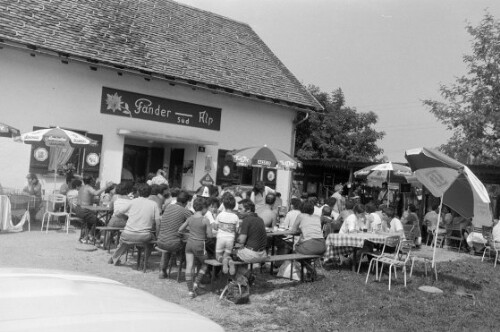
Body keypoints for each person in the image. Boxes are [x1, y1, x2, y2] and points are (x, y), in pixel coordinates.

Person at [108, 183, 160, 265]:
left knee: (124, 241)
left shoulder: (132, 202)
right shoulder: (154, 204)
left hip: (128, 234)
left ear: (138, 192)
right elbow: (158, 223)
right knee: (152, 240)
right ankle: (144, 261)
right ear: (149, 193)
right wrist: (157, 236)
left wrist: (126, 217)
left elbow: (117, 213)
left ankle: (114, 257)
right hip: (144, 236)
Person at [178, 197, 213, 298]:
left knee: (189, 266)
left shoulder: (190, 218)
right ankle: (196, 283)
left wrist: (188, 233)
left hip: (189, 244)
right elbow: (210, 236)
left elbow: (180, 230)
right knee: (205, 263)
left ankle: (190, 291)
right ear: (203, 209)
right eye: (207, 208)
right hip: (200, 245)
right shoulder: (205, 220)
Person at [156, 190, 193, 279]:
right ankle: (182, 264)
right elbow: (194, 222)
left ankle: (162, 270)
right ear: (186, 202)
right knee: (183, 243)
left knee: (169, 239)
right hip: (172, 244)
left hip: (160, 241)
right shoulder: (185, 211)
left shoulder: (168, 207)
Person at [230, 199, 268, 274]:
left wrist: (234, 235)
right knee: (240, 252)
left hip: (252, 254)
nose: (238, 211)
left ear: (248, 210)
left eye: (240, 209)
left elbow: (241, 240)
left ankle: (241, 276)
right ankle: (245, 275)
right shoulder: (260, 219)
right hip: (263, 253)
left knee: (228, 254)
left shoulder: (247, 220)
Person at [75, 175, 114, 243]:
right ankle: (90, 236)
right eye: (93, 180)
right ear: (90, 181)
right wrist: (106, 186)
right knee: (98, 222)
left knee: (89, 222)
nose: (94, 182)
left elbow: (87, 197)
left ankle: (84, 237)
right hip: (84, 210)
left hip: (78, 209)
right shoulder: (88, 187)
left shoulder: (82, 187)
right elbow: (96, 193)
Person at [213, 193, 239, 274]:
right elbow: (237, 230)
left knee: (218, 255)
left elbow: (215, 227)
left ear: (223, 204)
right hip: (230, 239)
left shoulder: (220, 215)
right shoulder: (236, 217)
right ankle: (229, 261)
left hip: (221, 238)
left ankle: (223, 261)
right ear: (234, 205)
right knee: (227, 255)